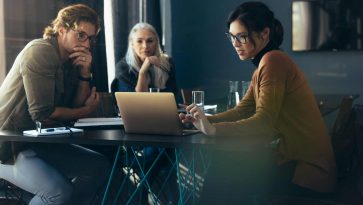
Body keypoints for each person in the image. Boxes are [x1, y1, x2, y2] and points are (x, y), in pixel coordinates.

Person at [180, 1, 337, 204]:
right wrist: (201, 121)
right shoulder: (266, 63)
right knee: (229, 167)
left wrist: (213, 130)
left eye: (241, 36)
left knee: (225, 171)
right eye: (231, 37)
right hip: (299, 166)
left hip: (308, 174)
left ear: (264, 34)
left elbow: (264, 121)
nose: (235, 43)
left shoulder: (273, 62)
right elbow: (242, 111)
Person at [0, 4, 110, 205]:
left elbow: (73, 110)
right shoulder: (40, 51)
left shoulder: (70, 59)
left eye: (91, 38)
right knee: (59, 192)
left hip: (39, 143)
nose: (86, 44)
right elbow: (43, 114)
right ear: (62, 30)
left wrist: (84, 74)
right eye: (81, 35)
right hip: (9, 146)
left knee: (101, 168)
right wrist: (86, 110)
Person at [112, 22, 178, 204]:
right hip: (134, 133)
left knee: (164, 147)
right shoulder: (123, 67)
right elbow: (136, 107)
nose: (145, 46)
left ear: (156, 42)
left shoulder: (167, 64)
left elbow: (175, 99)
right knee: (162, 149)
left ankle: (138, 195)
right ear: (132, 44)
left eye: (150, 41)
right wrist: (143, 72)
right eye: (139, 41)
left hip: (164, 127)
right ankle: (156, 198)